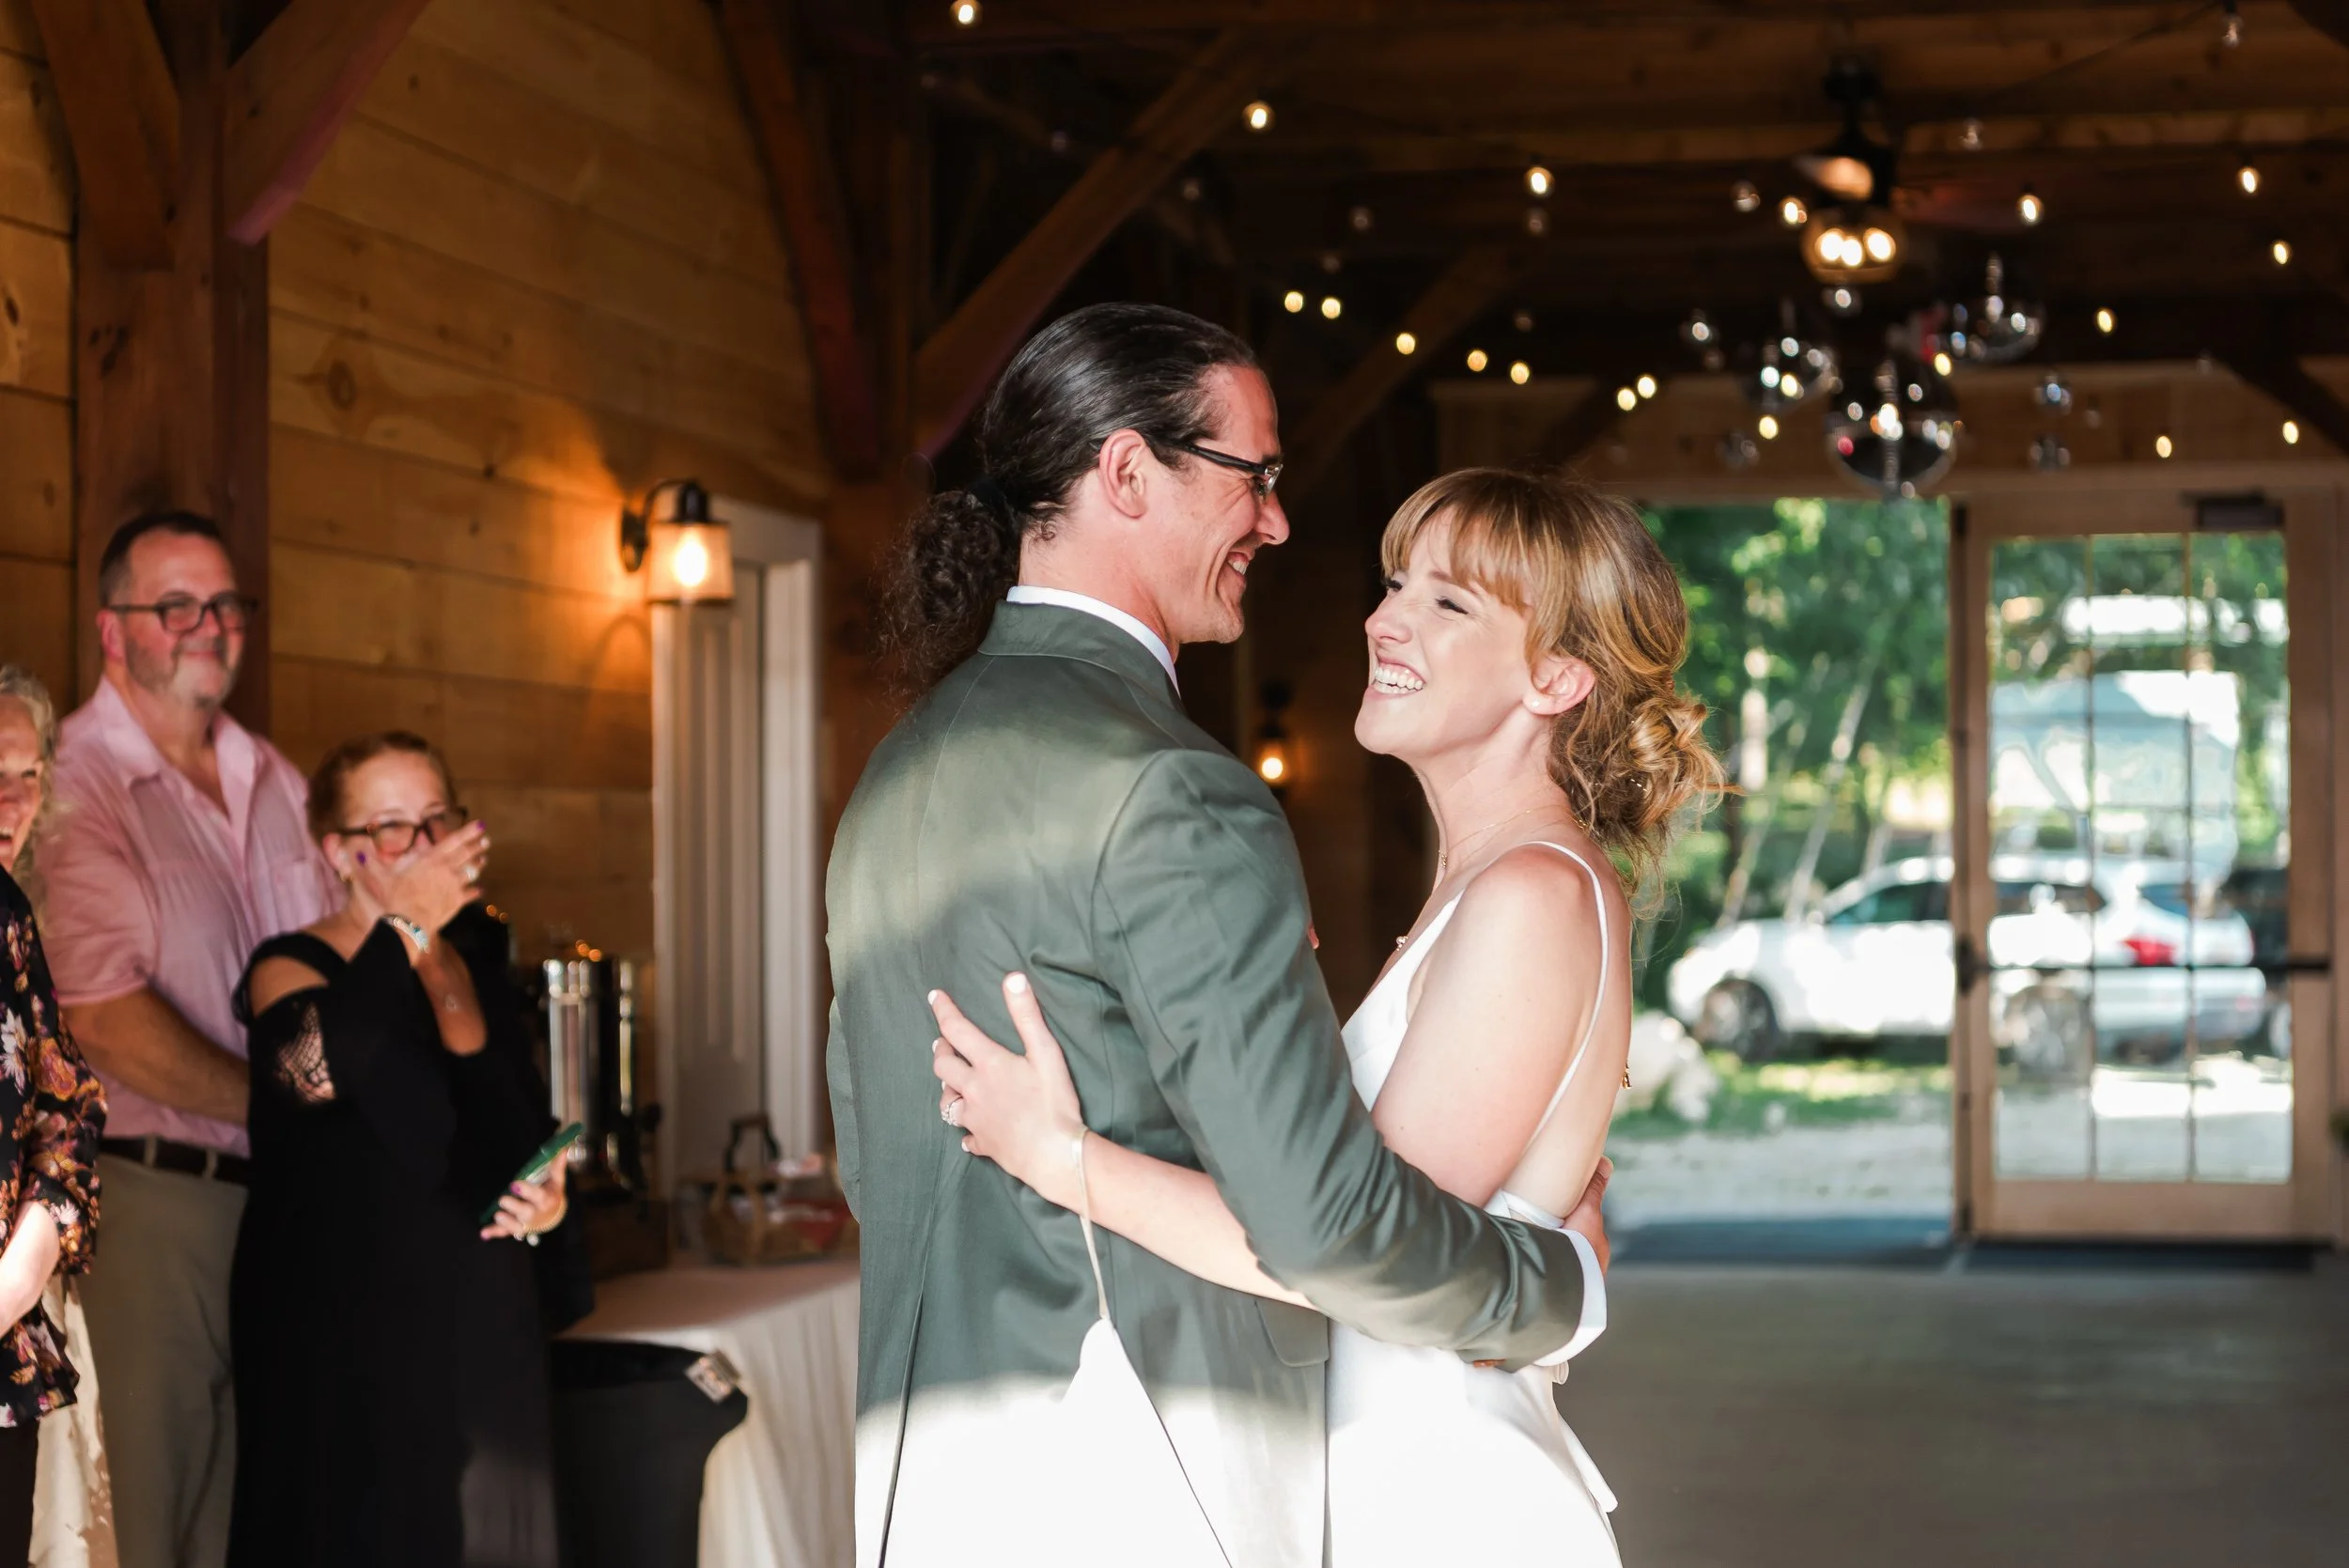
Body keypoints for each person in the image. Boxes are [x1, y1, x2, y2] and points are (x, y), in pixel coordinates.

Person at [825, 303, 1613, 1568]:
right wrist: (1554, 1287)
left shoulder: (896, 773)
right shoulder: (1172, 787)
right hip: (1138, 1460)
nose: (1280, 520)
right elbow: (1322, 1224)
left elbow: (877, 1160)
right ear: (1128, 470)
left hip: (923, 1472)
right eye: (1258, 476)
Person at [935, 468, 1725, 1566]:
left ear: (1555, 676)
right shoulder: (1488, 887)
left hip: (1445, 1499)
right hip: (1391, 1470)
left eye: (1447, 603)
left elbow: (1353, 1245)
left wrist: (1060, 1154)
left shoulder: (1529, 895)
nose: (1382, 619)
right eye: (1397, 583)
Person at [38, 511, 340, 1568]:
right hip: (151, 1209)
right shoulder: (73, 785)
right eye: (176, 605)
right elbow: (104, 1019)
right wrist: (299, 1104)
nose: (207, 625)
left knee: (251, 1525)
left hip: (281, 1210)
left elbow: (326, 984)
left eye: (223, 604)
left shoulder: (279, 782)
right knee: (145, 1530)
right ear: (113, 632)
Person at [228, 731, 570, 1567]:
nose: (421, 848)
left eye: (434, 820)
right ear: (338, 852)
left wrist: (547, 1193)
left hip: (484, 1323)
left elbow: (512, 1128)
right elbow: (315, 1067)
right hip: (353, 1348)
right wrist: (406, 914)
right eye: (390, 829)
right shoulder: (290, 965)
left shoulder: (478, 957)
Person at [0, 667, 109, 1562]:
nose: (12, 799)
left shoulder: (11, 917)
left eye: (28, 775)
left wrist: (29, 1260)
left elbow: (68, 1107)